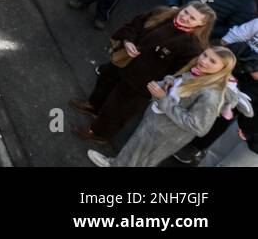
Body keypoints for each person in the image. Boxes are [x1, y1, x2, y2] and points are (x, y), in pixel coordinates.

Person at [70, 2, 217, 147]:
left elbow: (176, 73)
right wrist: (128, 41)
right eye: (185, 12)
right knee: (105, 83)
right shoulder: (161, 13)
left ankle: (99, 134)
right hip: (124, 62)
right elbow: (134, 25)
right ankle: (94, 105)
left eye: (192, 18)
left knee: (118, 108)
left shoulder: (193, 47)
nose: (185, 17)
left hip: (142, 82)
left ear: (201, 24)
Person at [87, 47, 248, 168]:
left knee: (141, 159)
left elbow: (198, 126)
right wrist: (169, 81)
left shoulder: (211, 95)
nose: (204, 60)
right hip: (158, 123)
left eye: (212, 61)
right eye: (205, 55)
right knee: (135, 151)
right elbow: (181, 85)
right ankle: (117, 163)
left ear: (223, 69)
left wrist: (164, 99)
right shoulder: (200, 73)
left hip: (166, 133)